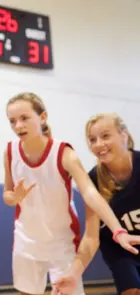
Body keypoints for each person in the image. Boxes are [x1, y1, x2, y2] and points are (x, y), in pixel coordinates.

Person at [3, 93, 139, 295]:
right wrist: (13, 197)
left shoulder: (64, 153)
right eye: (12, 121)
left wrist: (117, 230)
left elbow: (91, 195)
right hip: (27, 240)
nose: (18, 125)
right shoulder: (10, 151)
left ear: (42, 117)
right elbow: (7, 193)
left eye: (24, 118)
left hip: (62, 241)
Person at [52, 113, 140, 295]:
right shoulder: (92, 180)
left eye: (106, 136)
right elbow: (92, 237)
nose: (98, 144)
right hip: (120, 249)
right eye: (92, 140)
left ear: (124, 135)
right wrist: (74, 274)